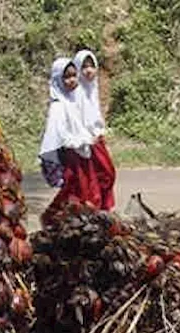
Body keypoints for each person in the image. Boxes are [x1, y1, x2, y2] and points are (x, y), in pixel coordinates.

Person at [38, 56, 98, 226]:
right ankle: (59, 219)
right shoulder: (58, 105)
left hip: (83, 152)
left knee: (84, 189)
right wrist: (78, 142)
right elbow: (59, 134)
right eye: (67, 77)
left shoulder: (74, 99)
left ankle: (71, 219)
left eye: (74, 75)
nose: (72, 80)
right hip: (72, 155)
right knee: (78, 189)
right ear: (58, 79)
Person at [72, 48, 117, 211]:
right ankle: (95, 211)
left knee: (107, 173)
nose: (89, 70)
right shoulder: (75, 93)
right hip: (83, 143)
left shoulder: (92, 88)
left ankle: (104, 208)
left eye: (91, 66)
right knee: (89, 182)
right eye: (84, 67)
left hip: (96, 139)